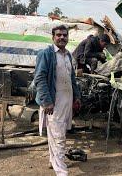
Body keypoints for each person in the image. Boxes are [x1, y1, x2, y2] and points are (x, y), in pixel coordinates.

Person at [34, 25, 81, 176]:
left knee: (55, 134)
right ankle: (61, 172)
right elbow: (39, 78)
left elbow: (72, 78)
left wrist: (77, 97)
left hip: (66, 102)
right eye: (59, 35)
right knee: (59, 137)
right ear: (53, 37)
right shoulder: (46, 54)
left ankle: (52, 160)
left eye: (65, 35)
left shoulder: (67, 55)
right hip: (54, 103)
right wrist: (47, 101)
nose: (62, 37)